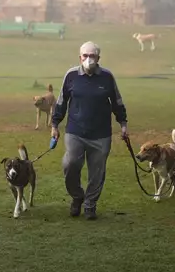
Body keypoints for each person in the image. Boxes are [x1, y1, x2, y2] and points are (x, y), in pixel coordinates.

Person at [50, 41, 128, 220]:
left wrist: (123, 124)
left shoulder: (107, 77)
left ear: (98, 58)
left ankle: (90, 205)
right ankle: (77, 197)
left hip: (101, 134)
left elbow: (117, 101)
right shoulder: (71, 76)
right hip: (75, 131)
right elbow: (61, 101)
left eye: (92, 56)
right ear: (80, 57)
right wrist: (55, 125)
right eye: (85, 56)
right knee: (70, 165)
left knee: (97, 172)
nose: (88, 59)